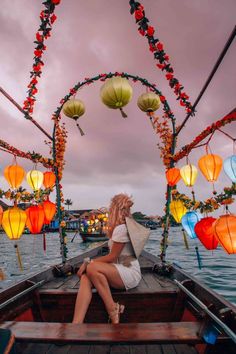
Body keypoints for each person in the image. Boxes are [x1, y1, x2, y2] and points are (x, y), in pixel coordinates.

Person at [72, 193, 142, 324]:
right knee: (86, 277)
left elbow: (112, 257)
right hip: (120, 269)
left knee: (91, 267)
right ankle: (76, 323)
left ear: (114, 210)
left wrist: (87, 262)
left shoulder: (122, 228)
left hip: (129, 272)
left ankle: (112, 309)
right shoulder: (125, 226)